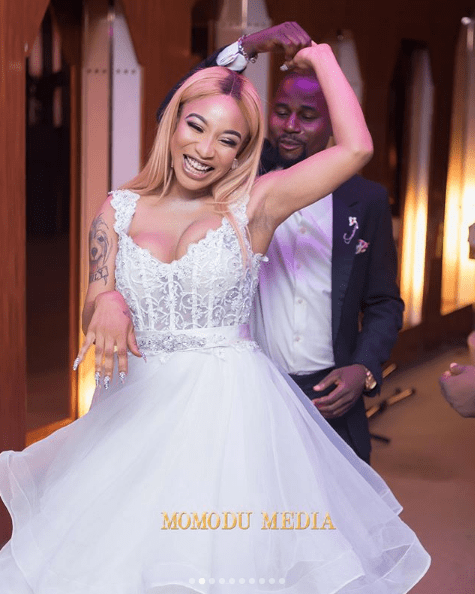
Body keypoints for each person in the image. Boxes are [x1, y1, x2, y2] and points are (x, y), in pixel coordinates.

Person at [0, 41, 429, 592]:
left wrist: (323, 57)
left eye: (228, 139)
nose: (205, 150)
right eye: (196, 126)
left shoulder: (256, 206)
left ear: (242, 152)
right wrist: (105, 301)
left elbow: (355, 148)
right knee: (120, 561)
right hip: (134, 413)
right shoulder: (117, 209)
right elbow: (94, 308)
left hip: (228, 418)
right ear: (173, 122)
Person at [158, 23, 404, 464]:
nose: (290, 126)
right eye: (282, 112)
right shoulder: (242, 178)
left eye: (307, 116)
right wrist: (248, 47)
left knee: (336, 504)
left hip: (331, 393)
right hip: (250, 387)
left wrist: (364, 369)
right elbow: (175, 112)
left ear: (334, 121)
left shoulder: (366, 200)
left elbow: (384, 301)